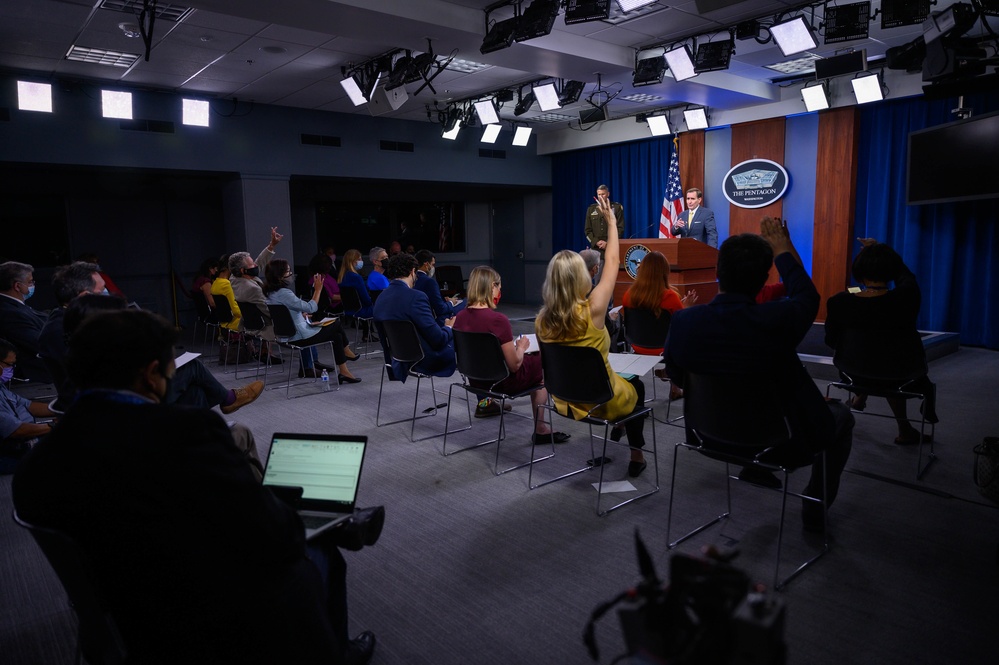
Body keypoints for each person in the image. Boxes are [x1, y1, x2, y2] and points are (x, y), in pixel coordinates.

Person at [12, 309, 376, 664]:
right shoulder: (188, 433)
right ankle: (336, 650)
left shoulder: (36, 466)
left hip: (122, 614)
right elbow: (272, 536)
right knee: (319, 551)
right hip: (200, 608)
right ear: (151, 375)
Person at [663, 218, 854, 530]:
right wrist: (782, 247)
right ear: (765, 278)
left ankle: (754, 465)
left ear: (716, 273)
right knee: (842, 417)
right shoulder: (779, 318)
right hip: (780, 441)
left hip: (706, 435)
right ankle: (815, 505)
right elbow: (807, 294)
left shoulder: (685, 322)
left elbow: (678, 376)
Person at [536, 197, 650, 477]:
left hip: (564, 399)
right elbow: (612, 260)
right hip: (602, 398)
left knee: (624, 382)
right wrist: (611, 222)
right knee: (638, 388)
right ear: (581, 278)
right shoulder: (594, 309)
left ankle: (622, 427)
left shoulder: (541, 320)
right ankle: (637, 455)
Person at [824, 238, 938, 445]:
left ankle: (860, 397)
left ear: (858, 271)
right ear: (892, 271)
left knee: (872, 358)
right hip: (901, 376)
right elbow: (907, 277)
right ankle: (905, 429)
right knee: (888, 362)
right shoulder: (906, 297)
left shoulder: (839, 302)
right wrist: (884, 254)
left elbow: (831, 341)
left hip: (852, 373)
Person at [454, 267, 569, 442]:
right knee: (542, 365)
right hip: (502, 382)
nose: (500, 291)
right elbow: (514, 365)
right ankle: (540, 428)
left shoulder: (460, 316)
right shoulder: (498, 320)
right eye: (499, 287)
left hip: (475, 380)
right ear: (492, 286)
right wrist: (521, 347)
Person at [263, 259, 361, 383]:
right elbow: (312, 308)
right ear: (279, 276)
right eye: (288, 271)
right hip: (300, 337)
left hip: (286, 336)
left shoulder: (271, 293)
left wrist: (300, 315)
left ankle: (344, 372)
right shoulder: (284, 293)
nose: (291, 274)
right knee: (336, 323)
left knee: (336, 336)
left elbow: (285, 314)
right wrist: (318, 290)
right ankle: (346, 350)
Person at [621, 251, 695, 399]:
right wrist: (686, 307)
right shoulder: (670, 296)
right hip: (664, 350)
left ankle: (671, 377)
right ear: (664, 272)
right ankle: (673, 376)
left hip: (637, 347)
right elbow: (681, 324)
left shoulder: (628, 294)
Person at [373, 253, 456, 381]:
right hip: (424, 360)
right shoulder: (417, 297)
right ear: (413, 271)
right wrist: (448, 327)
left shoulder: (381, 298)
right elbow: (438, 339)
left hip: (396, 360)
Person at [0, 337, 57, 470]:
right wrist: (54, 426)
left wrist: (62, 409)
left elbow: (27, 405)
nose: (12, 369)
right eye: (9, 364)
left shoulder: (1, 388)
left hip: (23, 442)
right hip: (9, 454)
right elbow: (16, 430)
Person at [230, 227, 283, 363]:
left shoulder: (234, 278)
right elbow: (270, 311)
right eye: (251, 263)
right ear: (243, 270)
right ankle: (308, 365)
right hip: (264, 326)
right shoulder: (251, 288)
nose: (255, 265)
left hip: (249, 324)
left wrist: (271, 246)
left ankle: (265, 351)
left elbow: (258, 264)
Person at [0, 261, 51, 383]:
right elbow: (40, 344)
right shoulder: (9, 312)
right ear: (17, 286)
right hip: (36, 379)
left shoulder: (15, 307)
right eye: (30, 282)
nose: (33, 285)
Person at [414, 249, 464, 326]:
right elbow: (440, 309)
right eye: (433, 264)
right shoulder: (430, 282)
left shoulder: (412, 279)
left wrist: (444, 300)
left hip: (418, 319)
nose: (433, 267)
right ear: (426, 264)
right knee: (464, 303)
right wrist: (451, 302)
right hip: (434, 320)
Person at [583, 185, 625, 276]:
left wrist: (608, 243)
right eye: (599, 195)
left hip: (612, 250)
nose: (601, 197)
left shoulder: (616, 208)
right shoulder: (591, 209)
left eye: (603, 194)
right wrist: (596, 242)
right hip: (597, 251)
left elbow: (620, 229)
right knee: (598, 280)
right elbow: (587, 231)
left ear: (608, 194)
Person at [338, 249, 377, 342]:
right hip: (361, 310)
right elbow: (366, 300)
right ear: (352, 261)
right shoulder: (356, 277)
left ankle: (367, 334)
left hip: (349, 310)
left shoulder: (342, 277)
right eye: (359, 259)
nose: (361, 261)